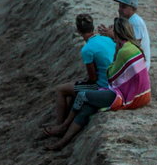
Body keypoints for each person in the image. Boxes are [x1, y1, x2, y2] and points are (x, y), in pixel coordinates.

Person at [45, 17, 150, 151]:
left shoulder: (123, 51)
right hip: (140, 94)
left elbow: (110, 75)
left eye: (112, 29)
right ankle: (63, 141)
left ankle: (63, 126)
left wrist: (115, 53)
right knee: (87, 108)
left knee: (82, 95)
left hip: (128, 97)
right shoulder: (132, 46)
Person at [42, 13, 116, 136]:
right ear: (92, 27)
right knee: (73, 91)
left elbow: (93, 78)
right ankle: (65, 121)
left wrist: (84, 81)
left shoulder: (87, 50)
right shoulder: (107, 39)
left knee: (60, 90)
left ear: (78, 30)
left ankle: (59, 126)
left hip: (101, 87)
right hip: (113, 82)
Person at [100, 0, 150, 67]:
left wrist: (113, 35)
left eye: (123, 7)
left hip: (139, 64)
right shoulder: (128, 20)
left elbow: (135, 44)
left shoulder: (136, 22)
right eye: (120, 6)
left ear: (133, 8)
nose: (119, 9)